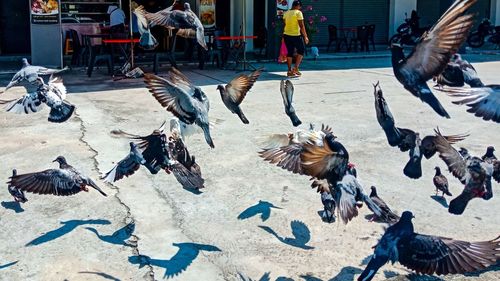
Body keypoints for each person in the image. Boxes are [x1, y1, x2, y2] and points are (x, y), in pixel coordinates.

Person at [282, 0, 309, 77]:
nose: (300, 8)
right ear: (298, 6)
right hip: (296, 35)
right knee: (301, 50)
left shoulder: (286, 13)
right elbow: (301, 25)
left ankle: (289, 70)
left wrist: (283, 37)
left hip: (287, 35)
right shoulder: (298, 12)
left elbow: (285, 25)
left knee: (290, 52)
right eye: (300, 7)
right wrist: (305, 36)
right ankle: (296, 68)